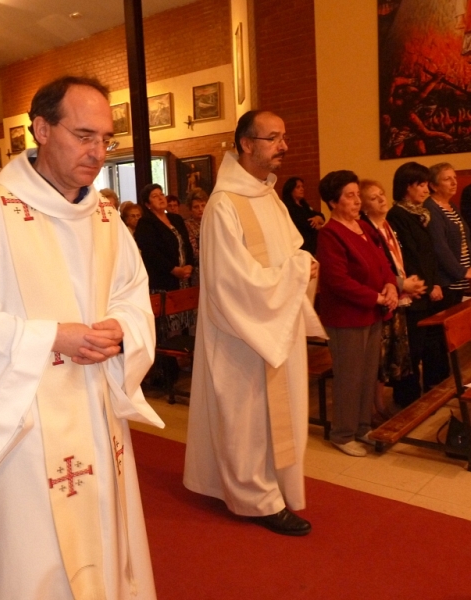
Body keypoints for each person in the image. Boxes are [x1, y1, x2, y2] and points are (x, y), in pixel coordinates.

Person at [0, 75, 162, 600]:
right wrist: (53, 336)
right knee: (36, 564)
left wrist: (122, 328)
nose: (98, 152)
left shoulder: (105, 215)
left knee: (108, 541)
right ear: (41, 129)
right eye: (84, 135)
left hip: (99, 415)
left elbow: (131, 290)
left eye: (106, 139)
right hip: (26, 425)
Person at [184, 110, 325, 537]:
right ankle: (256, 498)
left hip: (275, 325)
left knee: (275, 418)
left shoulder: (268, 195)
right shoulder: (225, 205)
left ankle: (273, 486)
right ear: (247, 144)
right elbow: (232, 281)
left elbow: (292, 251)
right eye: (274, 138)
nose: (284, 146)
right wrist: (299, 271)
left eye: (284, 137)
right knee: (247, 419)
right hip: (243, 332)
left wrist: (302, 267)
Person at [316, 171, 398, 457]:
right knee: (349, 377)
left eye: (356, 194)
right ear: (333, 202)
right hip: (347, 317)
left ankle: (363, 427)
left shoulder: (363, 226)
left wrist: (390, 285)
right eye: (349, 196)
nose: (356, 200)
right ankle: (342, 433)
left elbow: (383, 262)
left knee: (367, 374)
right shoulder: (330, 234)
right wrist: (376, 297)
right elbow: (338, 281)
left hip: (372, 313)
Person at [359, 180, 426, 422]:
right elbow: (372, 269)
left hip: (395, 296)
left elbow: (396, 260)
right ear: (364, 207)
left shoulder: (386, 225)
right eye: (374, 198)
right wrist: (401, 285)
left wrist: (407, 285)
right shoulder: (365, 228)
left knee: (386, 361)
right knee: (378, 359)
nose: (382, 199)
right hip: (379, 299)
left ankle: (378, 404)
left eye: (382, 194)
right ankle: (371, 408)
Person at [386, 162, 444, 405]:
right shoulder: (398, 215)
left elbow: (431, 254)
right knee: (412, 350)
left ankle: (430, 394)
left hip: (428, 289)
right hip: (413, 293)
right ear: (407, 186)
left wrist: (436, 283)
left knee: (431, 347)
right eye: (420, 184)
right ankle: (407, 401)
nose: (426, 189)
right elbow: (409, 255)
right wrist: (424, 286)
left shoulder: (421, 214)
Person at [425, 163, 471, 308]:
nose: (454, 182)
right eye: (447, 179)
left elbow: (465, 240)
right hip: (447, 281)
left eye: (454, 177)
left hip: (461, 279)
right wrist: (462, 272)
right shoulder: (431, 208)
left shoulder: (451, 206)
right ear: (433, 185)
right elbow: (440, 247)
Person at [134, 184, 193, 296]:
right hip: (163, 280)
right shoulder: (146, 223)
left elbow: (186, 244)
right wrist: (174, 270)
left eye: (162, 194)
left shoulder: (176, 219)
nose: (161, 198)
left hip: (184, 277)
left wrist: (189, 265)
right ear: (148, 204)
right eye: (155, 196)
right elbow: (151, 253)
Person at [281, 177, 325, 254]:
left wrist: (318, 218)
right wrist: (318, 226)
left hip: (314, 245)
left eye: (302, 186)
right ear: (290, 190)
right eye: (298, 187)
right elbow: (305, 224)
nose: (302, 189)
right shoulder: (288, 207)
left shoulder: (304, 205)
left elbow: (320, 216)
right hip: (303, 246)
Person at [183, 187, 208, 286]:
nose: (200, 209)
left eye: (203, 205)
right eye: (196, 207)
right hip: (197, 269)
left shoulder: (212, 222)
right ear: (190, 209)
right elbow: (193, 250)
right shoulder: (187, 225)